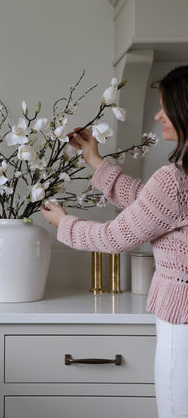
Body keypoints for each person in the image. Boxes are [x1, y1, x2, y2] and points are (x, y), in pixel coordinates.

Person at [40, 65, 188, 418]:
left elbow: (115, 237)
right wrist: (95, 161)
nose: (157, 115)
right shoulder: (179, 179)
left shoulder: (175, 179)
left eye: (165, 107)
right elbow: (149, 204)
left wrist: (64, 223)